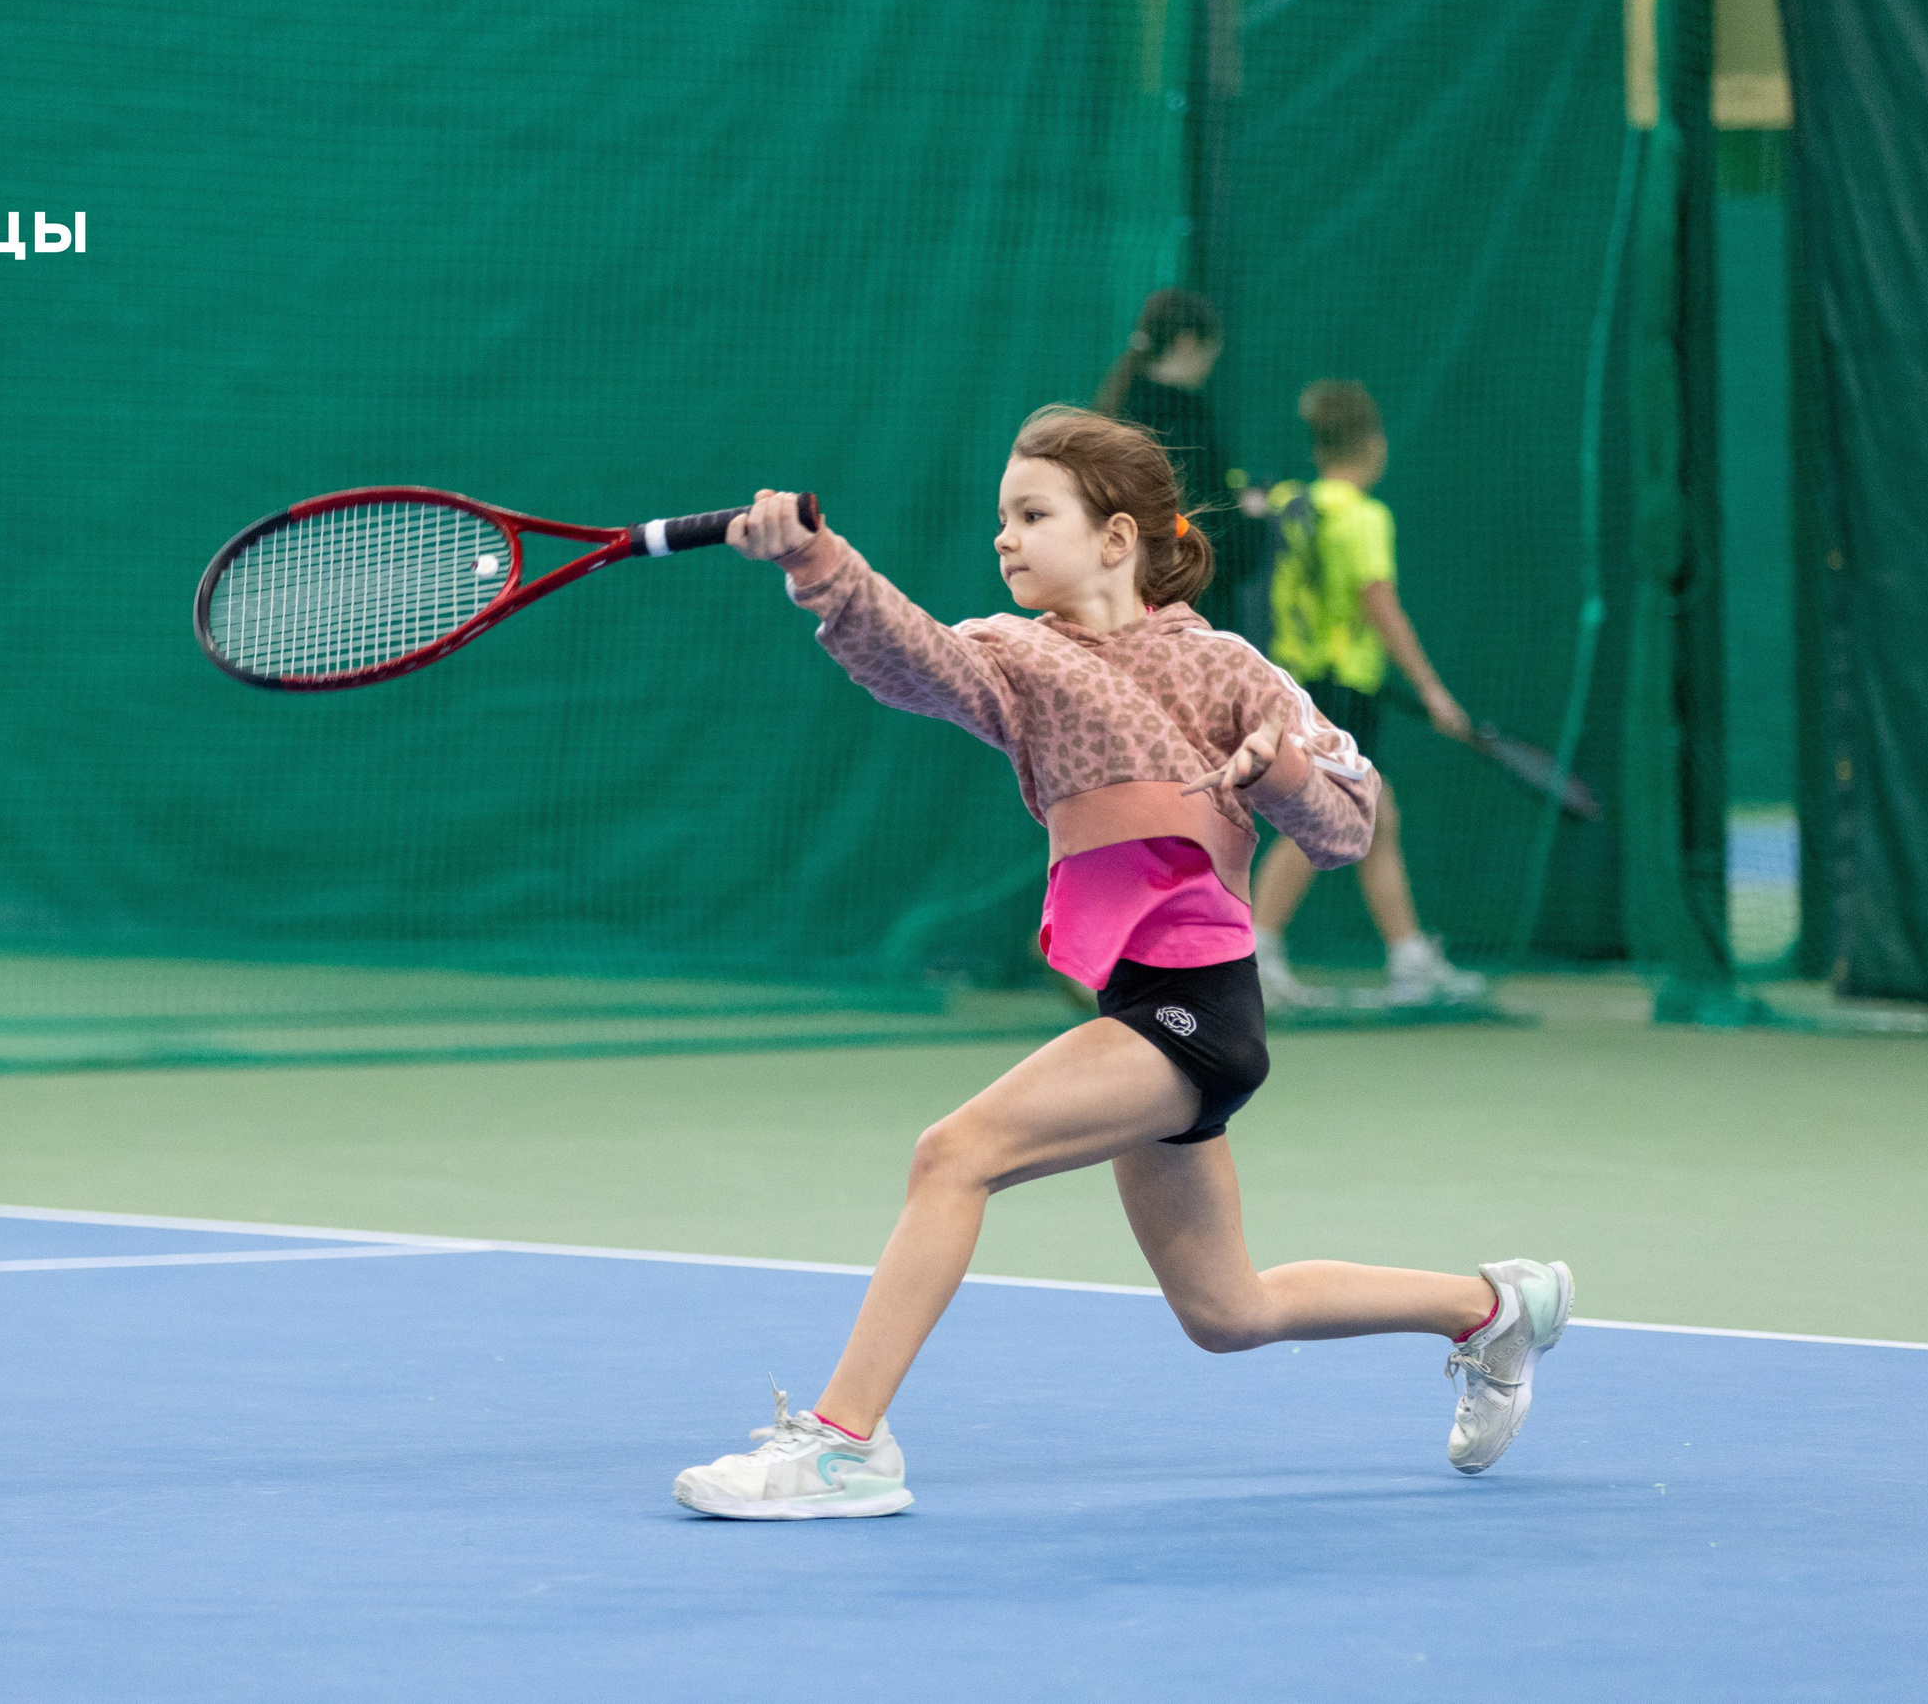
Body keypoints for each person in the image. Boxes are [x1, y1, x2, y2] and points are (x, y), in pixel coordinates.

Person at [670, 406, 1571, 1520]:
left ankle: (845, 1443)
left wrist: (1279, 770)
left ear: (1116, 537)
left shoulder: (1226, 667)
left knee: (953, 1155)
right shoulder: (1016, 658)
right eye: (999, 517)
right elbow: (912, 658)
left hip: (1196, 1011)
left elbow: (1348, 824)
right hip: (1135, 1004)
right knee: (1225, 1310)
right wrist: (816, 561)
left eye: (1031, 514)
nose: (1004, 537)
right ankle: (1493, 1307)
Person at [1252, 381, 1484, 1008]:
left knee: (1376, 817)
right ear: (1373, 446)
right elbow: (1381, 608)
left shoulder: (1287, 503)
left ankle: (1409, 959)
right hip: (1342, 692)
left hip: (1296, 685)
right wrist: (1435, 693)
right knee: (1325, 820)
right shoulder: (1362, 517)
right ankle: (1251, 956)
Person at [1094, 288, 1268, 641]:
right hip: (1183, 619)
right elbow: (1219, 536)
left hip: (1116, 611)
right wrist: (1252, 518)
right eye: (1207, 358)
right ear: (1188, 343)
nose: (1206, 371)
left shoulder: (1113, 413)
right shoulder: (1188, 425)